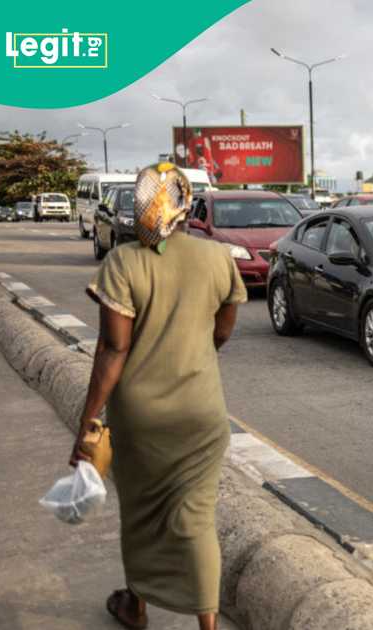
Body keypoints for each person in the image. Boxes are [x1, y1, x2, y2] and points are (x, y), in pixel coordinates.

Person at [69, 163, 246, 630]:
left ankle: (137, 606)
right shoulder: (217, 258)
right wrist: (193, 357)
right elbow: (222, 331)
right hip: (202, 413)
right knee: (197, 517)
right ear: (188, 205)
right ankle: (208, 625)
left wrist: (87, 423)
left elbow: (113, 349)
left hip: (140, 418)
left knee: (142, 513)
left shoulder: (124, 262)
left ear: (141, 207)